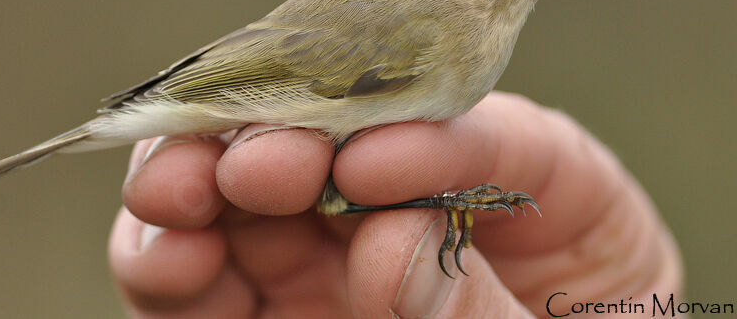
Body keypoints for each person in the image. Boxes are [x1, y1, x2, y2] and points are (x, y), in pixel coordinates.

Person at [108, 92, 682, 318]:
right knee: (332, 186)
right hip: (273, 121)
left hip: (317, 173)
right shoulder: (434, 30)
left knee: (346, 184)